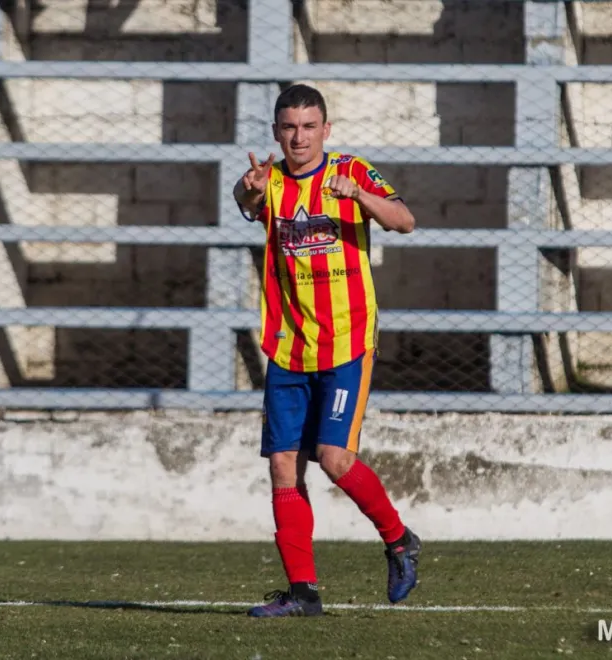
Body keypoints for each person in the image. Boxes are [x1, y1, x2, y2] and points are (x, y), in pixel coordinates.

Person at [232, 83, 421, 618]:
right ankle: (302, 593)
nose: (299, 136)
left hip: (345, 341)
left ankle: (399, 540)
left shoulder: (353, 171)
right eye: (289, 127)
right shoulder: (267, 182)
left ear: (325, 130)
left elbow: (405, 221)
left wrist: (358, 197)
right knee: (284, 467)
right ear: (276, 132)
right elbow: (245, 202)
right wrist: (249, 188)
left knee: (335, 459)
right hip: (289, 345)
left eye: (308, 126)